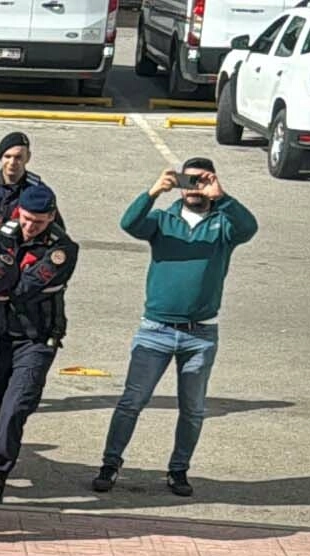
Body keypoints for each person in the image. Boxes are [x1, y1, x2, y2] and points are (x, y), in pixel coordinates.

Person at [96, 159, 257, 498]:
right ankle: (110, 464)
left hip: (200, 335)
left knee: (193, 409)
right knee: (131, 401)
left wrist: (222, 197)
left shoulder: (223, 225)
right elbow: (129, 223)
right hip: (155, 329)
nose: (195, 187)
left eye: (202, 181)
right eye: (189, 180)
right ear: (179, 184)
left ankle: (179, 470)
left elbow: (248, 228)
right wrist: (153, 192)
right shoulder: (162, 220)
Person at [0, 185, 77, 504]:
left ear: (51, 216)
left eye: (38, 221)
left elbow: (24, 287)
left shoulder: (61, 249)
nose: (30, 226)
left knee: (15, 407)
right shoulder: (2, 234)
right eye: (26, 218)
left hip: (35, 338)